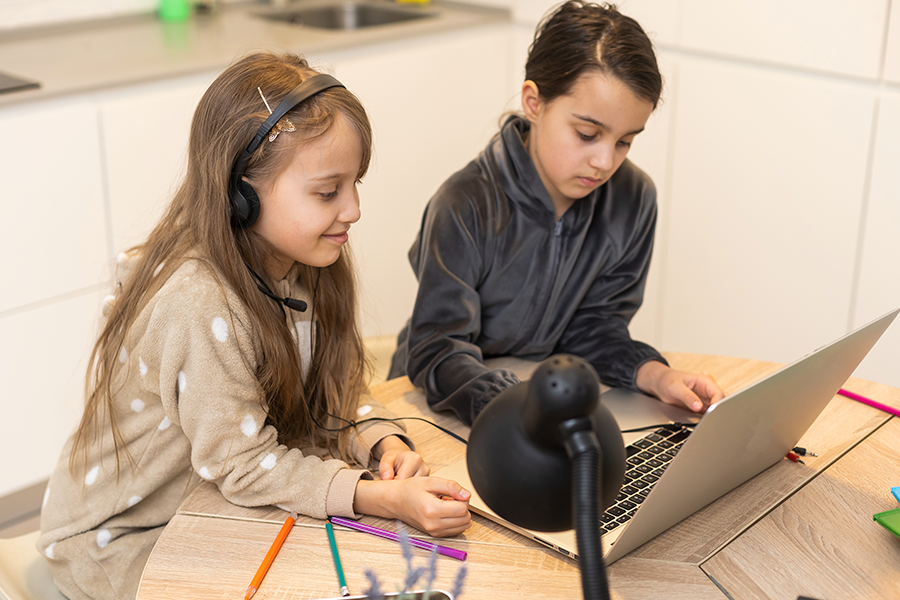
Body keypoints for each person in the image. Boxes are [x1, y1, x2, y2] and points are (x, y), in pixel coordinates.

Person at [37, 52, 471, 600]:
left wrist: (380, 442)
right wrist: (377, 498)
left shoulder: (306, 257)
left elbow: (331, 387)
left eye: (355, 183)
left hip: (214, 502)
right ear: (242, 193)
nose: (354, 209)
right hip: (127, 540)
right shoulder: (198, 302)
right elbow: (243, 466)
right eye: (327, 191)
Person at [389, 1, 725, 426]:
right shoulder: (465, 203)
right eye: (587, 134)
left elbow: (594, 329)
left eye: (625, 141)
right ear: (534, 102)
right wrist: (515, 406)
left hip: (543, 395)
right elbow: (437, 348)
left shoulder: (633, 199)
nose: (605, 161)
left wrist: (655, 375)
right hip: (439, 407)